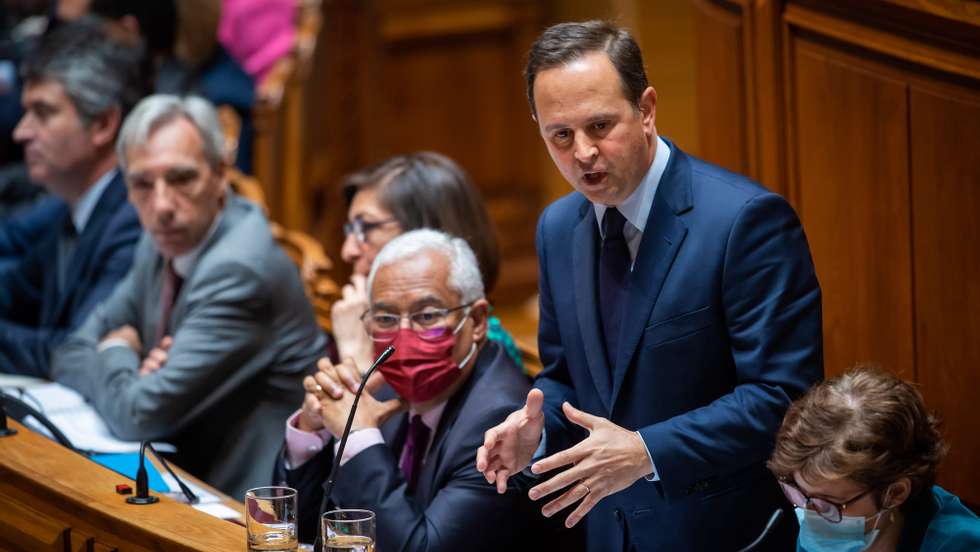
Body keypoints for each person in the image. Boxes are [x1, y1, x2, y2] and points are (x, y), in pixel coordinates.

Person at [476, 20, 824, 551]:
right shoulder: (556, 227)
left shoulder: (744, 222)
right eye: (560, 135)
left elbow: (783, 398)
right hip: (610, 532)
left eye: (599, 126)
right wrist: (537, 428)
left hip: (721, 534)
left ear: (646, 109)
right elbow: (567, 374)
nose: (583, 153)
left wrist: (646, 451)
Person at [51, 94, 326, 498]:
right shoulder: (158, 242)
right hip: (183, 472)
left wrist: (116, 353)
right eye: (142, 184)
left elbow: (138, 415)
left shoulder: (240, 270)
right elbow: (69, 351)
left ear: (220, 175)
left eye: (181, 179)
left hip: (252, 507)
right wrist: (136, 374)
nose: (161, 205)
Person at [275, 229, 546, 549]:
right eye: (386, 318)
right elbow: (295, 529)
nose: (404, 338)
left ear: (477, 320)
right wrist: (312, 429)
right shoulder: (384, 384)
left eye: (427, 315)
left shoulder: (498, 421)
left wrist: (360, 436)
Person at [0, 19, 142, 377]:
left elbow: (75, 350)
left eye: (43, 113)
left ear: (103, 125)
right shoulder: (77, 205)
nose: (21, 132)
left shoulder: (134, 217)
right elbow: (16, 290)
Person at [331, 151, 522, 373]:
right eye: (351, 230)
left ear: (426, 234)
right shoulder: (364, 322)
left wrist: (357, 361)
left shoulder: (480, 350)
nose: (348, 251)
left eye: (366, 228)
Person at [769, 367, 980, 551]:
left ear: (895, 493)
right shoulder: (821, 513)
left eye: (827, 504)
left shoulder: (959, 545)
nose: (809, 515)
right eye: (798, 492)